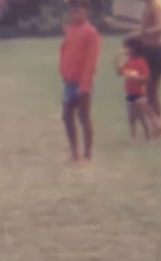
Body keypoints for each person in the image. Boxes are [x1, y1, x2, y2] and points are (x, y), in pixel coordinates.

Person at [58, 0, 101, 164]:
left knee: (83, 116)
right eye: (72, 8)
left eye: (78, 7)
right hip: (69, 82)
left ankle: (87, 152)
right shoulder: (69, 30)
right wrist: (63, 71)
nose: (74, 11)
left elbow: (91, 61)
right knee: (67, 115)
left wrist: (85, 85)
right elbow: (63, 51)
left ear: (86, 10)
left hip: (83, 82)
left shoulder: (90, 33)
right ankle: (74, 152)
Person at [130, 0, 161, 125]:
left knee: (151, 91)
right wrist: (135, 35)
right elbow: (144, 32)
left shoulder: (155, 7)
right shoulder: (146, 7)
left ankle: (157, 122)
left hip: (156, 53)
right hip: (147, 52)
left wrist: (146, 32)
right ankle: (155, 123)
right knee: (148, 92)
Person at [115, 37, 157, 140]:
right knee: (131, 117)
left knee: (141, 116)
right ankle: (133, 137)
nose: (126, 50)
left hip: (139, 93)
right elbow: (120, 72)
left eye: (127, 48)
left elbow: (145, 77)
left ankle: (147, 135)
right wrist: (116, 60)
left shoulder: (141, 61)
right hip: (130, 93)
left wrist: (136, 77)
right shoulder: (129, 62)